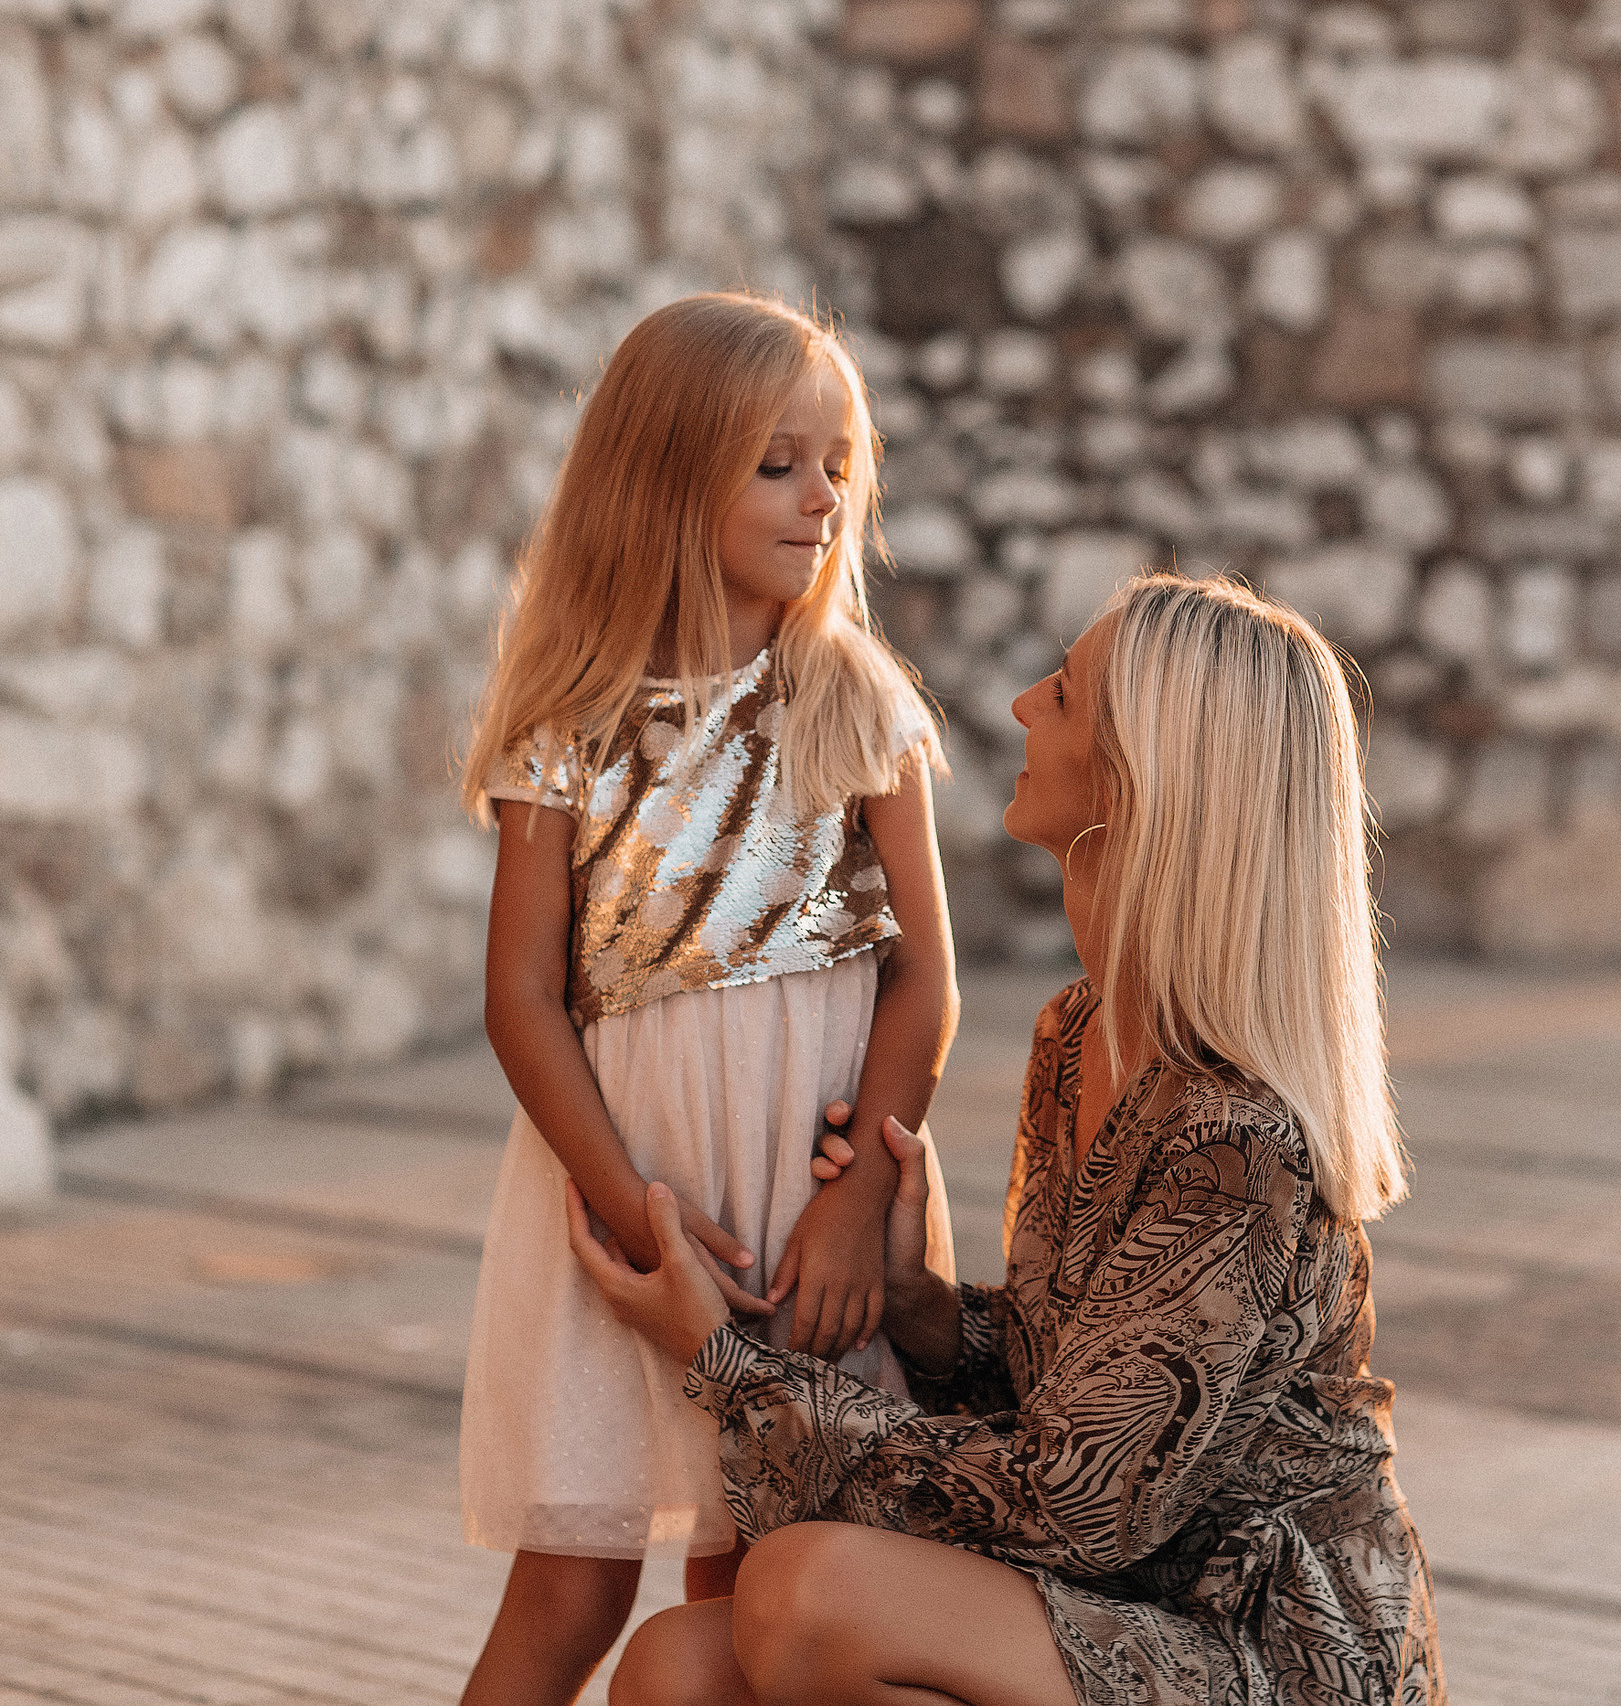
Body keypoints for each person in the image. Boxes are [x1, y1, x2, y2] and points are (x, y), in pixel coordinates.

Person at [575, 573, 1445, 1706]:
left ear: (1145, 777)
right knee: (672, 1668)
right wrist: (925, 1306)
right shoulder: (1079, 1032)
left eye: (1068, 693)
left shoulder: (1239, 1139)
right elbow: (1083, 1391)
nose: (1026, 703)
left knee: (806, 1592)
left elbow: (1073, 1499)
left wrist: (725, 1362)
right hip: (1121, 1602)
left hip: (1262, 1650)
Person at [452, 292, 959, 1706]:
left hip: (807, 1222)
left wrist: (861, 1198)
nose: (823, 498)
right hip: (632, 1208)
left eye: (841, 462)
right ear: (668, 472)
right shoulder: (574, 718)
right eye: (777, 462)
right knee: (569, 1580)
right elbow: (519, 999)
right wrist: (633, 1207)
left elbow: (926, 971)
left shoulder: (856, 698)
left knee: (759, 1578)